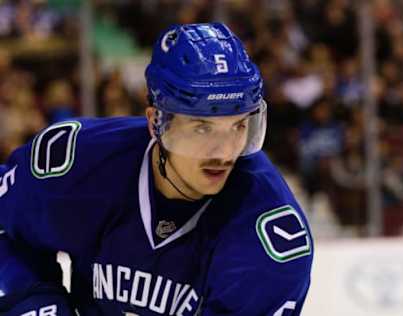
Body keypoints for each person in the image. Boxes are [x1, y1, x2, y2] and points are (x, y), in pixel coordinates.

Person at [0, 23, 313, 315]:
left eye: (238, 126)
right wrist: (35, 303)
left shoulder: (267, 237)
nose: (224, 152)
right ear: (156, 122)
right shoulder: (80, 165)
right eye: (202, 128)